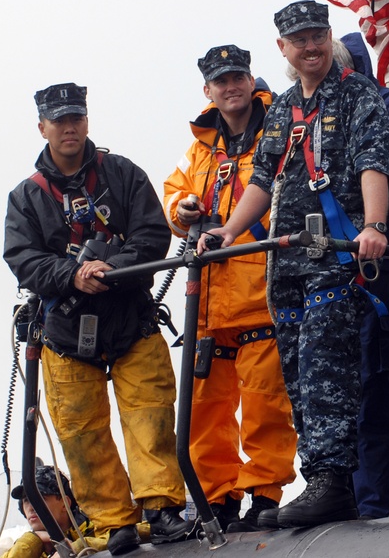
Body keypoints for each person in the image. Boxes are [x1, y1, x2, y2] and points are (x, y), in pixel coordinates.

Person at [199, 0, 389, 529]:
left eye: (317, 36)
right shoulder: (282, 107)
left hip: (333, 252)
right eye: (298, 39)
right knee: (295, 372)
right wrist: (230, 230)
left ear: (329, 39)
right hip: (285, 262)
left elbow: (375, 161)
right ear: (282, 48)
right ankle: (321, 477)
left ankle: (332, 480)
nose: (310, 47)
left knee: (325, 366)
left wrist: (373, 226)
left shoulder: (358, 96)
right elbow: (262, 179)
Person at [4, 84, 194, 555]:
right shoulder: (25, 197)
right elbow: (22, 258)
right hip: (65, 335)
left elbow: (154, 234)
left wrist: (113, 268)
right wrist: (73, 275)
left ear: (87, 121)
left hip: (132, 320)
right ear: (42, 126)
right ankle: (113, 524)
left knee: (150, 417)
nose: (70, 127)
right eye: (60, 120)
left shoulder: (124, 174)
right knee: (81, 432)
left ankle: (163, 510)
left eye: (77, 118)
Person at [286, 33, 389, 517]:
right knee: (322, 383)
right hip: (317, 271)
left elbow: (386, 166)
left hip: (370, 267)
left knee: (371, 377)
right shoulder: (299, 116)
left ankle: (373, 504)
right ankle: (331, 486)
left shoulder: (388, 109)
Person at [162, 45, 298, 532]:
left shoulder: (279, 130)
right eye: (221, 81)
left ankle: (265, 492)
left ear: (250, 78)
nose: (230, 86)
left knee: (266, 404)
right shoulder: (201, 147)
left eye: (237, 76)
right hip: (207, 301)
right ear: (208, 90)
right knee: (204, 411)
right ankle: (216, 498)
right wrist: (184, 210)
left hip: (259, 293)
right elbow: (173, 193)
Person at [2, 465, 107, 558]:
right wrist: (34, 539)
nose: (31, 507)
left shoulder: (97, 528)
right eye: (26, 500)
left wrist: (75, 548)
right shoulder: (31, 547)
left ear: (65, 503)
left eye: (40, 498)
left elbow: (118, 543)